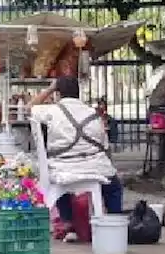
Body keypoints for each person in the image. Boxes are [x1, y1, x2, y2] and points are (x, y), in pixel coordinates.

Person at [28, 77, 122, 239]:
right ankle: (115, 222)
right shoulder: (93, 113)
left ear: (58, 94)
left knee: (60, 186)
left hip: (62, 168)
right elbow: (104, 145)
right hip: (95, 167)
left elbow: (30, 107)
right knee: (113, 187)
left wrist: (50, 89)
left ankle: (68, 222)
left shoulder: (52, 111)